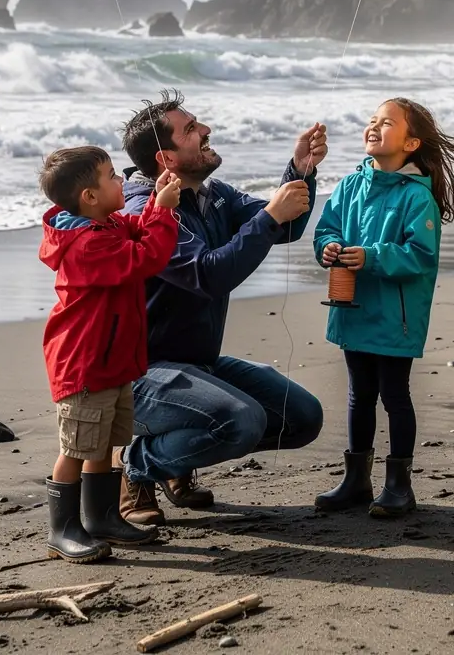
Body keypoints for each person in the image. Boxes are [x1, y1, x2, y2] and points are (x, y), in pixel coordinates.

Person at [115, 90, 327, 524]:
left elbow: (284, 227)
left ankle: (175, 462)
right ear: (166, 158)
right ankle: (138, 466)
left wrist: (302, 170)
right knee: (242, 421)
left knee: (302, 418)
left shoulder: (212, 194)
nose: (205, 130)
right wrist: (269, 218)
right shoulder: (148, 212)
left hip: (197, 366)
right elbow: (209, 277)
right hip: (138, 374)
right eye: (191, 129)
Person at [312, 98, 454, 517]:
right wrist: (328, 247)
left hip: (396, 318)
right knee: (358, 395)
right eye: (371, 121)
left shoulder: (416, 196)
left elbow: (421, 255)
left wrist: (371, 256)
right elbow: (327, 228)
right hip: (352, 308)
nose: (373, 127)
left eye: (386, 123)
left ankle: (398, 485)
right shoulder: (351, 184)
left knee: (394, 395)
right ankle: (356, 481)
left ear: (410, 143)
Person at [38, 145, 181, 562]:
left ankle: (100, 517)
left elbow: (138, 229)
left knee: (103, 443)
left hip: (111, 360)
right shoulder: (85, 245)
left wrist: (156, 203)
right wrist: (166, 212)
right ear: (90, 197)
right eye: (112, 176)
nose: (121, 181)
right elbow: (147, 256)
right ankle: (61, 528)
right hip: (83, 363)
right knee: (77, 446)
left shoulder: (108, 224)